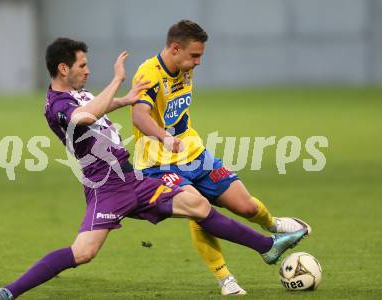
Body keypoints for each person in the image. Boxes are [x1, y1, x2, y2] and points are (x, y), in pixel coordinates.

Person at [0, 37, 307, 300]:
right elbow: (86, 116)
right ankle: (8, 293)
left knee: (197, 203)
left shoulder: (77, 92)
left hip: (131, 177)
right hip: (105, 187)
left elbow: (96, 106)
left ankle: (268, 247)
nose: (87, 70)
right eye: (82, 65)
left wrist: (123, 100)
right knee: (83, 253)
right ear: (63, 68)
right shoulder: (57, 106)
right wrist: (118, 80)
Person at [131, 20, 311, 295]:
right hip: (159, 164)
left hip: (195, 154)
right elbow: (139, 115)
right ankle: (225, 278)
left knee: (246, 206)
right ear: (175, 49)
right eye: (195, 55)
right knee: (198, 207)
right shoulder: (149, 73)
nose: (198, 62)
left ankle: (273, 225)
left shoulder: (183, 67)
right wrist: (165, 138)